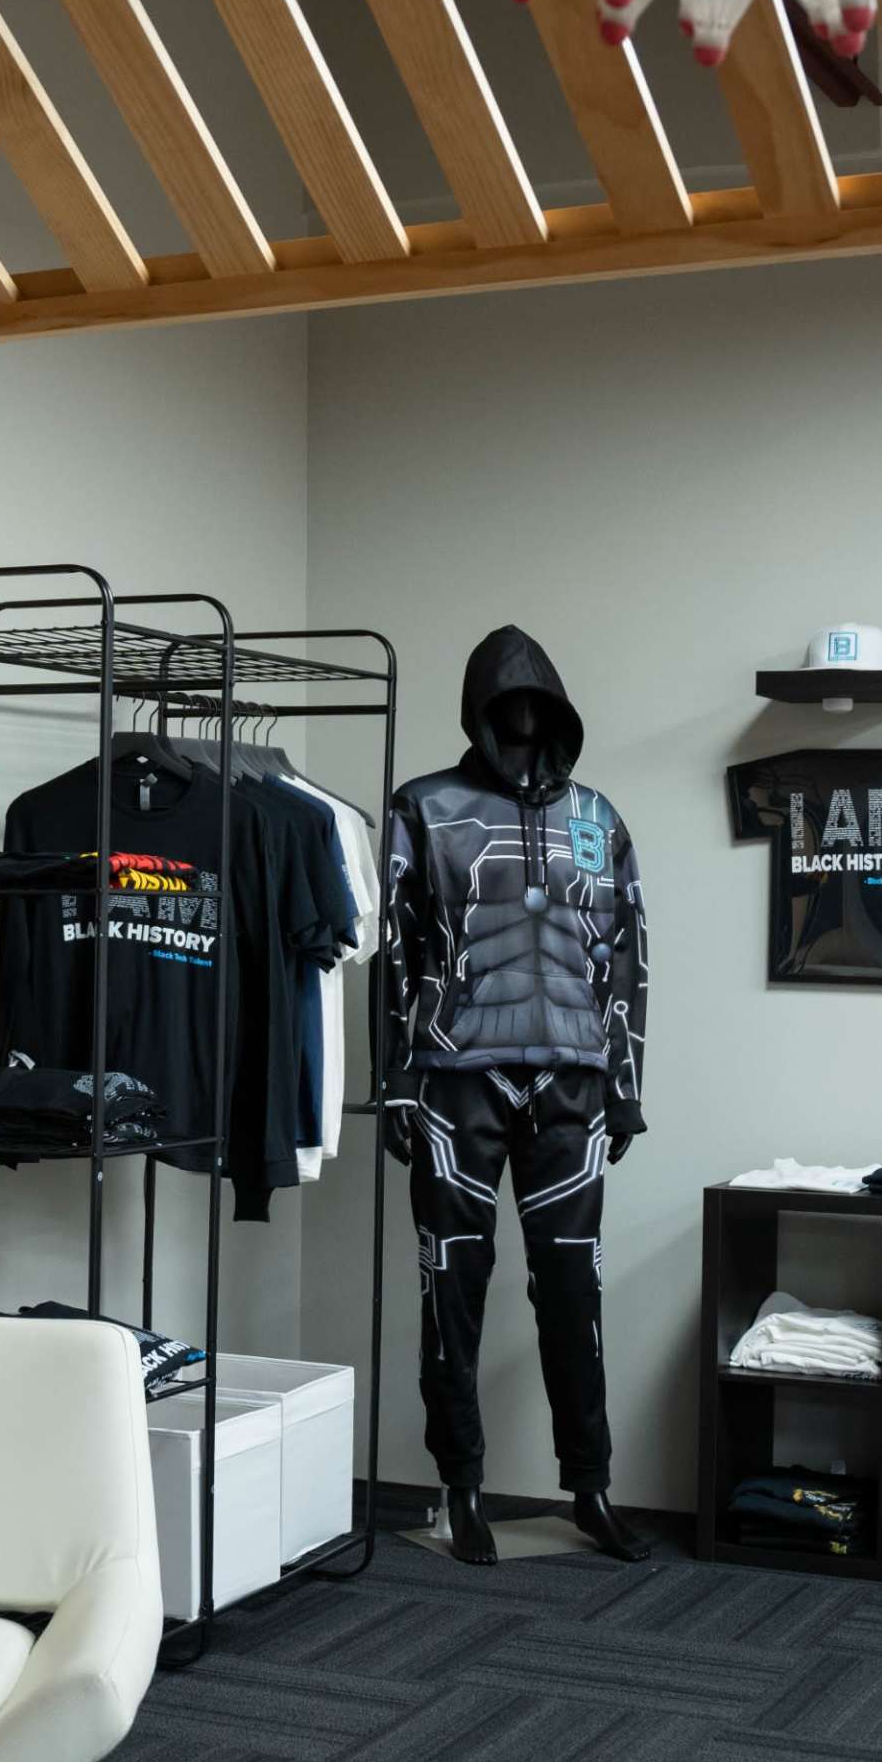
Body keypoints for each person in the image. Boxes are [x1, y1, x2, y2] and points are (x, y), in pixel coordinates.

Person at [382, 627, 652, 1565]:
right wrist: (397, 1084)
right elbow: (395, 949)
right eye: (506, 708)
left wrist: (626, 1085)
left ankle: (591, 1485)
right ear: (477, 713)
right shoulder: (423, 808)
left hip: (573, 1081)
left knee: (572, 1287)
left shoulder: (600, 817)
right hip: (458, 1078)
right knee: (450, 1283)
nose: (524, 723)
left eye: (538, 709)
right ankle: (459, 1488)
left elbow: (628, 956)